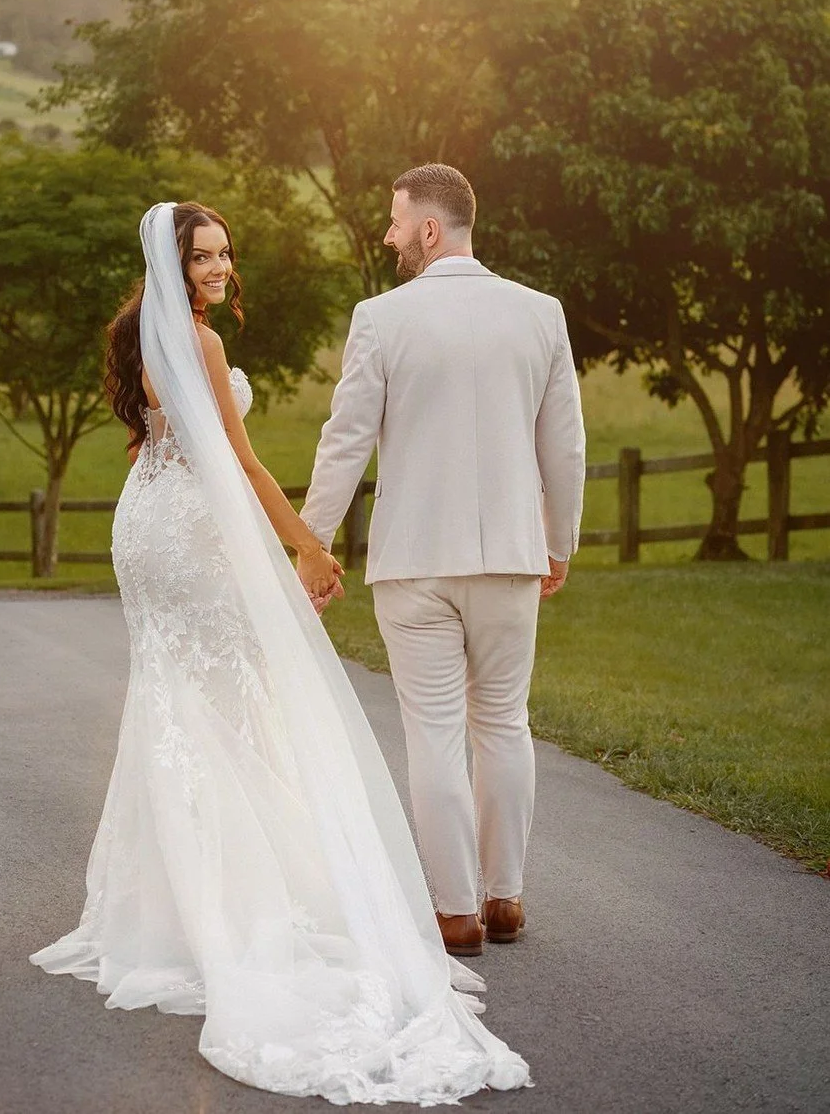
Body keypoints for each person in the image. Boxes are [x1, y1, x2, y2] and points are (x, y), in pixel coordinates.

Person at [30, 201, 530, 1103]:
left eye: (224, 252)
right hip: (184, 530)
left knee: (177, 700)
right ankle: (228, 906)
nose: (220, 267)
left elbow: (161, 442)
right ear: (173, 263)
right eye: (204, 256)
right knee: (228, 702)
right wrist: (307, 541)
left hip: (144, 521)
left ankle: (178, 906)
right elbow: (245, 462)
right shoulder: (200, 343)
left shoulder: (144, 328)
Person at [301, 164, 586, 958]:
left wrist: (312, 542)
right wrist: (555, 541)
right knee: (502, 722)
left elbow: (345, 441)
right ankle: (505, 900)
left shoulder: (379, 318)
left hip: (413, 561)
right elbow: (563, 445)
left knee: (431, 731)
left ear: (429, 228)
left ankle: (454, 914)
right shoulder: (539, 314)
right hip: (507, 557)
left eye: (395, 223)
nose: (388, 236)